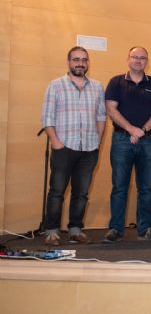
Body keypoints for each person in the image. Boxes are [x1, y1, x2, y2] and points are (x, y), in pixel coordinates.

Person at [41, 46, 106, 246]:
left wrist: (97, 141)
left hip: (89, 149)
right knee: (57, 192)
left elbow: (101, 116)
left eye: (84, 60)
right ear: (68, 62)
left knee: (81, 193)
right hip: (64, 148)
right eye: (76, 59)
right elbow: (47, 117)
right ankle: (52, 231)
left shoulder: (97, 87)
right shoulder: (56, 85)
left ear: (88, 63)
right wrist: (56, 142)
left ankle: (75, 230)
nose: (80, 63)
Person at [103, 46, 151, 243]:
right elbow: (111, 109)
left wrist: (143, 130)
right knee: (119, 187)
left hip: (147, 141)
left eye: (143, 58)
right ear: (128, 59)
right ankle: (116, 229)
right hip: (122, 140)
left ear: (147, 61)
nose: (139, 60)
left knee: (146, 188)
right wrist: (131, 129)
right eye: (135, 57)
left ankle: (145, 229)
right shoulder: (116, 82)